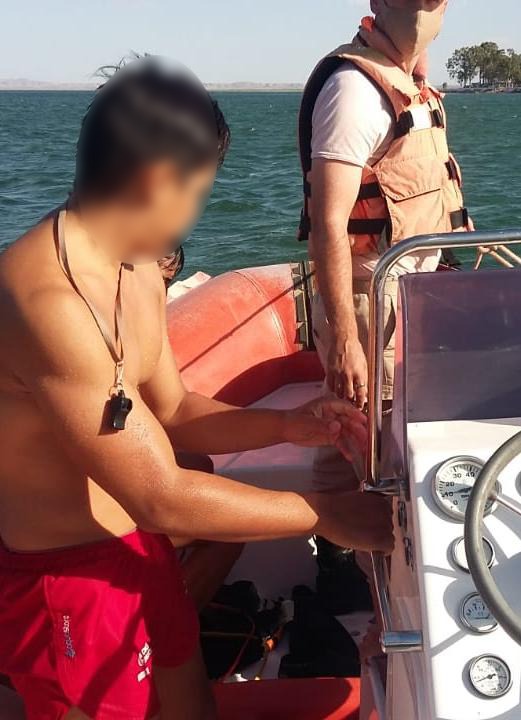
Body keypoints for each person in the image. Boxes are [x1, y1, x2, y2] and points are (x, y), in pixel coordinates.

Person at [0, 58, 393, 720]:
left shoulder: (134, 267)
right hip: (68, 583)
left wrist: (287, 424)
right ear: (158, 180)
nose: (193, 214)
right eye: (198, 193)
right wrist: (323, 514)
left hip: (141, 549)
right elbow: (159, 496)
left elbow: (173, 409)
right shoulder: (48, 304)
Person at [297, 0, 470, 612]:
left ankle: (341, 564)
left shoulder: (410, 82)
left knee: (357, 437)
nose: (426, 11)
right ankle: (365, 590)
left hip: (413, 291)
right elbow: (328, 223)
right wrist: (344, 336)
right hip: (372, 301)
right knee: (372, 451)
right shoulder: (355, 91)